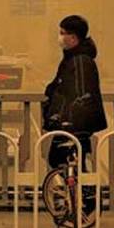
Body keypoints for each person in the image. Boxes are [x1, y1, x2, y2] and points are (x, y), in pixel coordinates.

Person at [43, 15, 107, 212]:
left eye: (63, 33)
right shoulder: (73, 57)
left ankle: (85, 201)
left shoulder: (80, 60)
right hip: (71, 120)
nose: (60, 37)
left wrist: (65, 117)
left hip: (75, 123)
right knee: (70, 160)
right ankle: (80, 199)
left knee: (60, 158)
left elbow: (80, 93)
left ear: (74, 37)